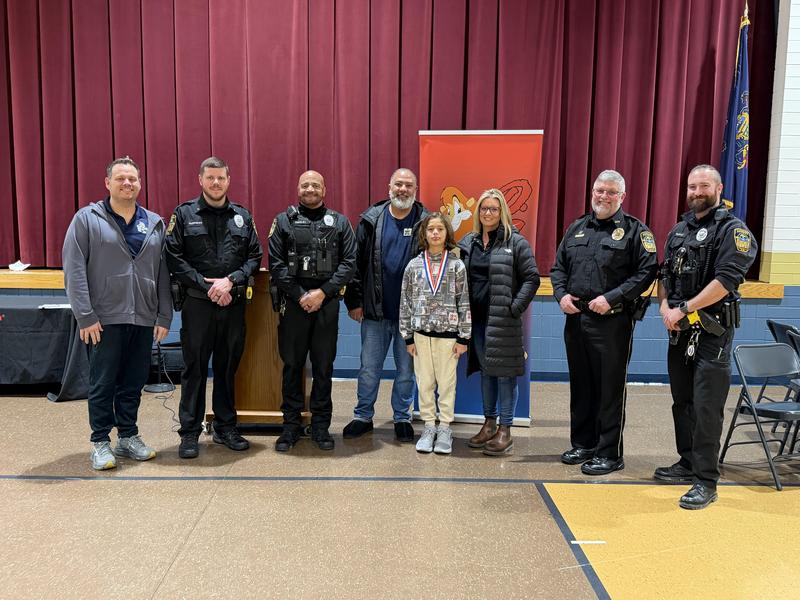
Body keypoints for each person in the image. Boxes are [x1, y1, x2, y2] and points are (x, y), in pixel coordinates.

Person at [656, 164, 757, 509]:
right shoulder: (679, 230)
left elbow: (725, 281)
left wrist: (684, 309)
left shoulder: (733, 231)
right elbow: (665, 274)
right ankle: (687, 463)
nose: (697, 192)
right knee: (682, 402)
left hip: (712, 334)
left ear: (718, 188)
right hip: (679, 333)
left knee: (707, 407)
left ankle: (706, 481)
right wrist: (665, 307)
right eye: (692, 186)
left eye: (703, 186)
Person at [63, 157, 172, 470]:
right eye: (121, 178)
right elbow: (74, 269)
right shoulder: (87, 219)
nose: (127, 184)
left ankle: (128, 436)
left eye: (133, 179)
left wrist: (163, 315)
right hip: (103, 319)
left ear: (140, 183)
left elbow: (163, 272)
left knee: (133, 381)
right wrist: (85, 315)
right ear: (108, 183)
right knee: (103, 382)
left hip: (142, 318)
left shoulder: (153, 222)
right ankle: (100, 442)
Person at [550, 169, 658, 475]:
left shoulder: (636, 231)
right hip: (576, 320)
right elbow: (558, 268)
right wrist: (560, 295)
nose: (604, 196)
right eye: (599, 190)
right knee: (581, 385)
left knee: (609, 389)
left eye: (611, 192)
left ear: (622, 197)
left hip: (612, 323)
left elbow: (647, 271)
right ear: (592, 192)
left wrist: (612, 298)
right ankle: (584, 443)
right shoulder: (576, 227)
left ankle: (609, 453)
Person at [165, 157, 263, 459]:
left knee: (226, 369)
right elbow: (173, 256)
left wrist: (230, 281)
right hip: (197, 306)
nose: (216, 183)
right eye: (210, 178)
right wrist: (209, 286)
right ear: (200, 180)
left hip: (231, 305)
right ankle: (190, 433)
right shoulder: (184, 214)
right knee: (194, 369)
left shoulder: (242, 217)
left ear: (229, 180)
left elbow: (254, 256)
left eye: (221, 178)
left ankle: (225, 428)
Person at [268, 170, 357, 452]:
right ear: (297, 189)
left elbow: (349, 263)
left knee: (322, 368)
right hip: (293, 305)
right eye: (305, 185)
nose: (310, 189)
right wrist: (300, 294)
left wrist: (322, 293)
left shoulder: (340, 223)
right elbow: (276, 263)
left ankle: (320, 427)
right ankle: (291, 427)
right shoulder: (283, 221)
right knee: (292, 367)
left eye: (315, 185)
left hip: (326, 305)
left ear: (324, 189)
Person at [342, 168, 430, 442]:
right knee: (369, 368)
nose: (403, 189)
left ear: (416, 189)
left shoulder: (426, 222)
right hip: (374, 312)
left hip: (411, 316)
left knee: (406, 371)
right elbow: (356, 265)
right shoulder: (371, 220)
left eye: (408, 185)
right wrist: (354, 301)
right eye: (398, 184)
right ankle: (363, 415)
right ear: (388, 187)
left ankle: (402, 417)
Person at [458, 189, 540, 456]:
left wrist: (514, 308)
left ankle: (506, 429)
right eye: (484, 209)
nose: (488, 213)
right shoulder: (468, 242)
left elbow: (532, 278)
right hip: (477, 322)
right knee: (486, 372)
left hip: (503, 322)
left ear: (502, 212)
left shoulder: (515, 242)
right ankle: (489, 423)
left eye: (493, 209)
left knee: (505, 375)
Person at [399, 213, 471, 455]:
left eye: (440, 229)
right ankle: (429, 426)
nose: (436, 233)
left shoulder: (456, 265)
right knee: (425, 382)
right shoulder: (413, 266)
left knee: (447, 383)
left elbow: (464, 302)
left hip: (449, 337)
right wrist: (407, 336)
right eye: (431, 229)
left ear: (447, 234)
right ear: (424, 234)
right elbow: (405, 302)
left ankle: (445, 428)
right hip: (420, 336)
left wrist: (463, 337)